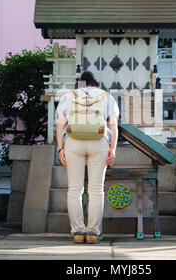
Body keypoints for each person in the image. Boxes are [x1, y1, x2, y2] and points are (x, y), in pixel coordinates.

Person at [55, 71, 119, 244]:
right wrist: (112, 148)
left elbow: (60, 124)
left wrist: (60, 148)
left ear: (80, 85)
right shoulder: (106, 96)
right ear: (96, 84)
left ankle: (77, 232)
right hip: (99, 142)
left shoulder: (69, 96)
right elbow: (113, 124)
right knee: (96, 190)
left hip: (74, 143)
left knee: (75, 190)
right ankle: (93, 232)